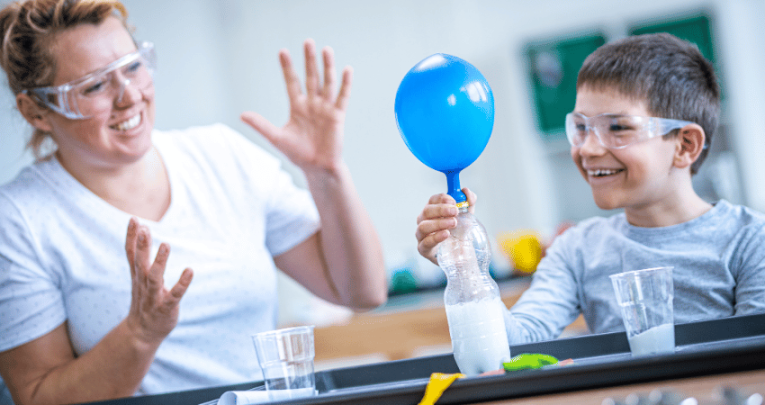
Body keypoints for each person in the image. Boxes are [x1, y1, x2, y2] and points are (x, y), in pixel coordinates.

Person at [0, 0, 387, 404]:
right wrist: (140, 333)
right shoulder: (19, 221)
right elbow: (37, 396)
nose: (129, 96)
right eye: (94, 86)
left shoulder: (222, 156)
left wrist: (326, 174)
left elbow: (362, 292)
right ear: (36, 111)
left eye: (133, 66)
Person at [416, 33, 765, 345]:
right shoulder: (579, 250)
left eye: (618, 127)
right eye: (581, 127)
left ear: (685, 144)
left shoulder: (750, 242)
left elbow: (752, 362)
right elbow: (518, 341)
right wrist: (465, 268)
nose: (588, 148)